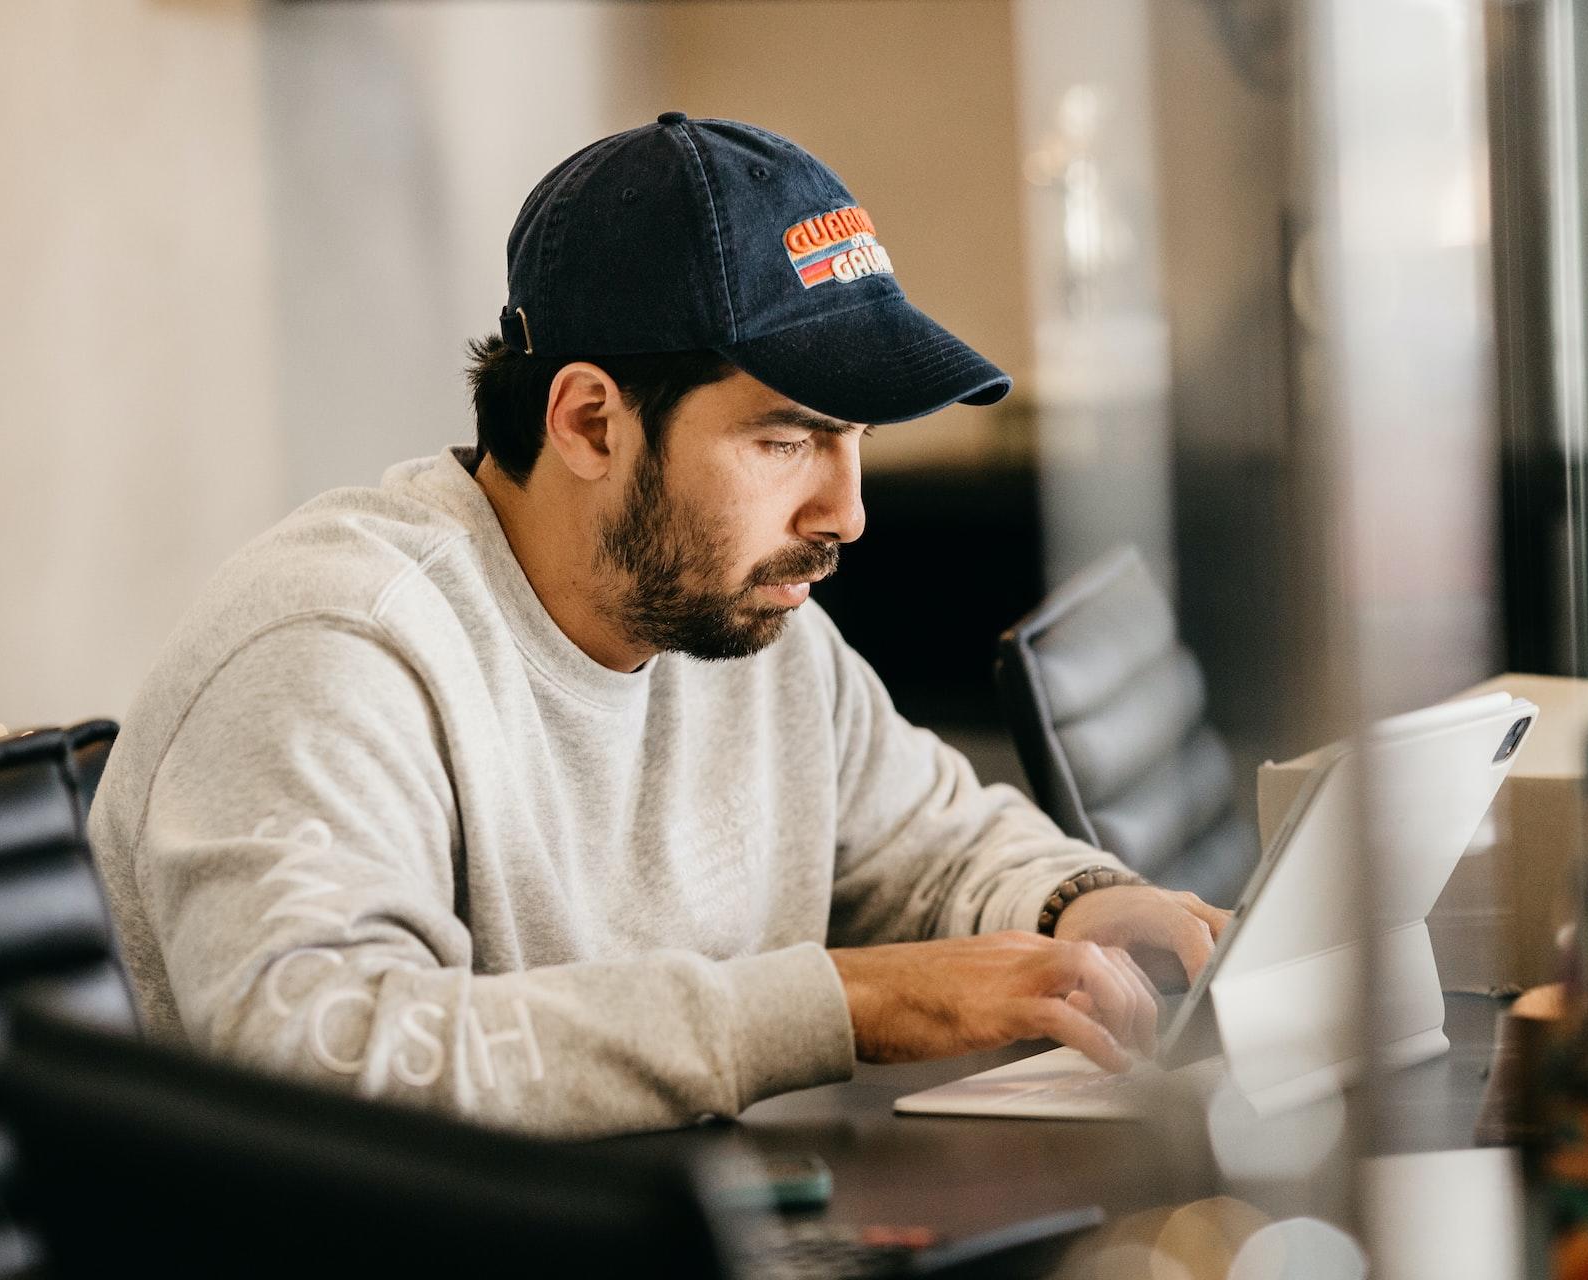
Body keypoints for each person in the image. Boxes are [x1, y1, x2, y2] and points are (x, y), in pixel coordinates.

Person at [89, 113, 1230, 1139]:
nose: (848, 512)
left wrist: (1082, 909)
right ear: (590, 420)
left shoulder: (734, 618)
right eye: (787, 440)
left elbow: (932, 843)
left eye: (859, 441)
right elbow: (330, 1062)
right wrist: (846, 1001)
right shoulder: (332, 650)